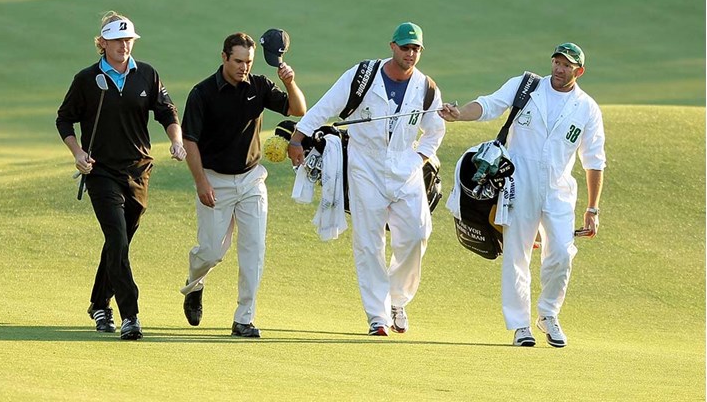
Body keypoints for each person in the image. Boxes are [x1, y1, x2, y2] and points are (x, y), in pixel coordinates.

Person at [438, 43, 606, 348]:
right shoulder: (526, 87)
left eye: (567, 65)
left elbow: (594, 160)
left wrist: (592, 209)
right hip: (518, 184)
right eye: (556, 62)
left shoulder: (587, 108)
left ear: (578, 71)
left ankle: (548, 314)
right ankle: (520, 326)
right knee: (517, 254)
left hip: (558, 191)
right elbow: (489, 105)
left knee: (562, 254)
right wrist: (460, 113)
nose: (559, 68)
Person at [288, 23, 446, 336]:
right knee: (369, 241)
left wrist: (418, 159)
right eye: (405, 48)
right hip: (365, 166)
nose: (410, 54)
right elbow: (327, 106)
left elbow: (435, 130)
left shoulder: (427, 88)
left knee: (417, 233)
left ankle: (397, 300)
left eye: (415, 49)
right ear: (392, 47)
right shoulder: (362, 76)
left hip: (406, 166)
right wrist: (298, 137)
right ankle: (377, 316)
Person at [56, 12, 187, 341]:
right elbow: (64, 120)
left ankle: (99, 302)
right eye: (116, 40)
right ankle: (131, 315)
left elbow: (167, 111)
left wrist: (176, 140)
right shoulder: (87, 79)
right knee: (116, 239)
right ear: (102, 43)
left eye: (128, 40)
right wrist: (77, 154)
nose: (123, 46)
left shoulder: (146, 75)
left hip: (139, 170)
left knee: (120, 244)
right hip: (101, 171)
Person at [180, 32, 306, 338]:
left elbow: (298, 110)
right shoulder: (202, 94)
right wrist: (201, 183)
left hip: (251, 179)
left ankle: (244, 318)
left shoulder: (259, 85)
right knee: (211, 252)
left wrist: (289, 81)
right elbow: (189, 141)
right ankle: (195, 284)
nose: (243, 67)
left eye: (248, 62)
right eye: (238, 61)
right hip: (214, 180)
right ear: (224, 57)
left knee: (254, 249)